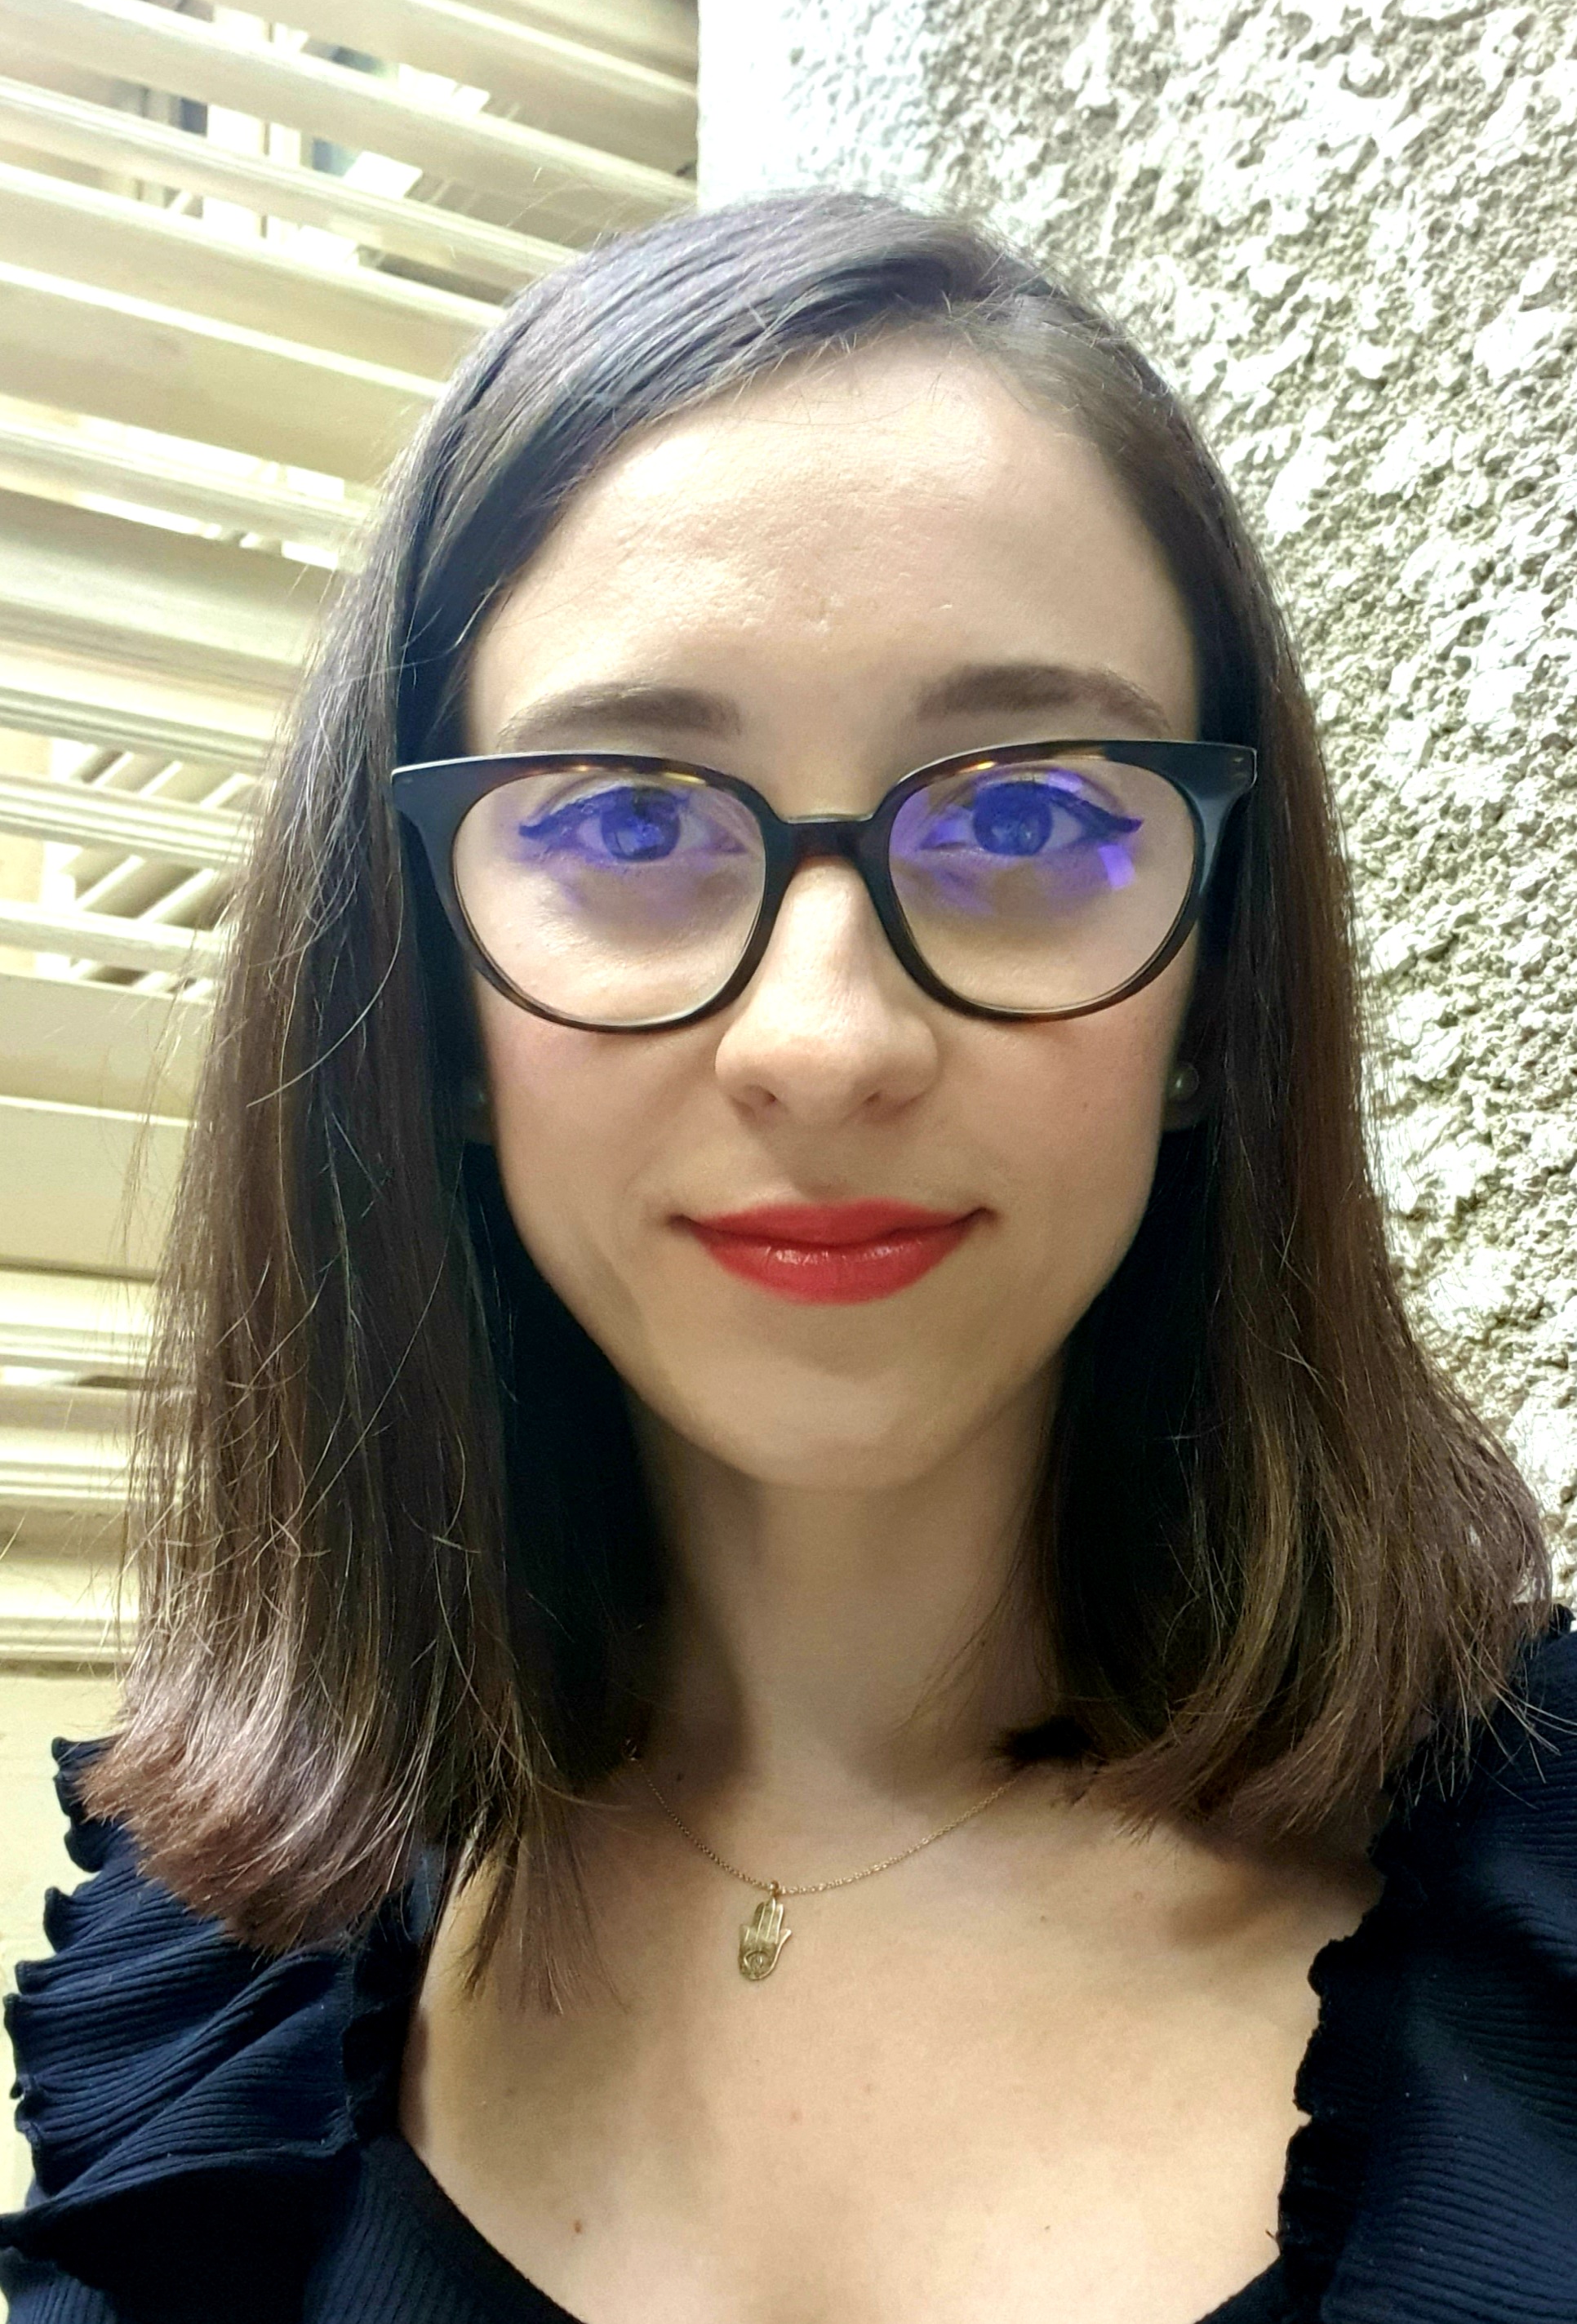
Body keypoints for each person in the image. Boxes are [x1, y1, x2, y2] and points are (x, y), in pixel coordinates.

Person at [2, 192, 1572, 2324]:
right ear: (430, 1000)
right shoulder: (210, 1986)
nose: (826, 1043)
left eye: (1025, 819)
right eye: (626, 821)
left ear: (1213, 989)